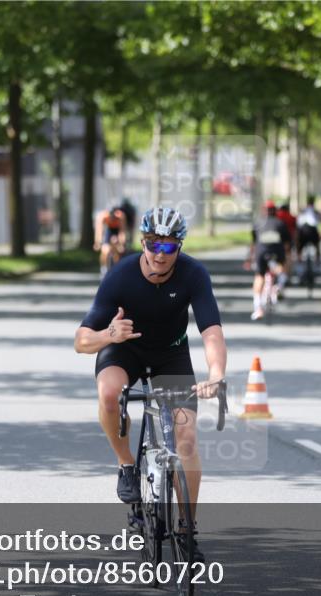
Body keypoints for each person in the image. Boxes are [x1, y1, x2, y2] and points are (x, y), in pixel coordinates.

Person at [74, 207, 226, 561]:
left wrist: (216, 373)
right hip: (123, 349)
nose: (159, 253)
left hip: (170, 356)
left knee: (186, 439)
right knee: (109, 393)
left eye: (169, 247)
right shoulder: (121, 275)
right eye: (152, 244)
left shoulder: (193, 274)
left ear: (180, 248)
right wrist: (108, 334)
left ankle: (187, 528)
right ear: (142, 242)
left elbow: (212, 331)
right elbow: (81, 341)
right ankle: (127, 464)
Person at [248, 201, 291, 320]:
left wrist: (250, 258)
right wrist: (287, 256)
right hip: (277, 252)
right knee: (282, 268)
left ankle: (258, 308)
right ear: (275, 211)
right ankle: (279, 286)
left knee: (259, 276)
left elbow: (253, 244)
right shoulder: (280, 224)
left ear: (263, 211)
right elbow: (287, 244)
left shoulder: (257, 223)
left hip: (261, 252)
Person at [94, 207, 127, 276]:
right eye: (111, 217)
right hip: (108, 230)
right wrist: (98, 242)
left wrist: (122, 244)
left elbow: (122, 231)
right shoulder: (102, 216)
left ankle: (116, 268)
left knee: (117, 250)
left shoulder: (121, 216)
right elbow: (99, 231)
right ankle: (103, 268)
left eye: (114, 217)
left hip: (116, 231)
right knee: (105, 250)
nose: (113, 219)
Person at [296, 195, 321, 266]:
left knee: (299, 245)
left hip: (303, 230)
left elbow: (298, 223)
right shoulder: (315, 211)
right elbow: (319, 222)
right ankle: (318, 260)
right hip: (312, 230)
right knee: (317, 245)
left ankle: (299, 258)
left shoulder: (303, 211)